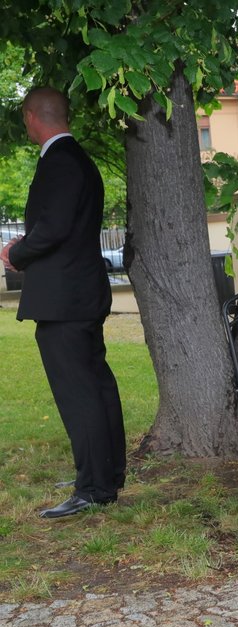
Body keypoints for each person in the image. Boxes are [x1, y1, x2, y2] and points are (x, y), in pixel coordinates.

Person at [0, 87, 126, 518]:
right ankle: (104, 477)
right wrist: (29, 241)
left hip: (64, 299)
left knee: (80, 393)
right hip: (79, 292)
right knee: (97, 386)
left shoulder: (60, 162)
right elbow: (62, 227)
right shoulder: (79, 161)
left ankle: (92, 487)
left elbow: (52, 229)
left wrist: (15, 253)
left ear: (33, 117)